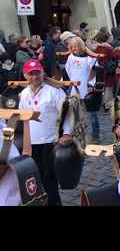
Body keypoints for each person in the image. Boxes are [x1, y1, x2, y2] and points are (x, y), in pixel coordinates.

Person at [18, 59, 74, 205]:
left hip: (50, 142)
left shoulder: (55, 91)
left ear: (43, 72)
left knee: (50, 181)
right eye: (31, 74)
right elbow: (23, 119)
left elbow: (67, 114)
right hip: (31, 145)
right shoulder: (24, 94)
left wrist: (67, 133)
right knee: (36, 180)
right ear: (25, 75)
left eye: (37, 73)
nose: (34, 77)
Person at [65, 37, 100, 141]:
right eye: (73, 47)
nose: (75, 48)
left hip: (87, 88)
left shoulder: (89, 57)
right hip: (75, 88)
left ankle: (95, 136)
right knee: (75, 113)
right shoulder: (71, 57)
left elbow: (94, 72)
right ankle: (79, 135)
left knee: (91, 113)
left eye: (76, 46)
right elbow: (68, 70)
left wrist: (90, 85)